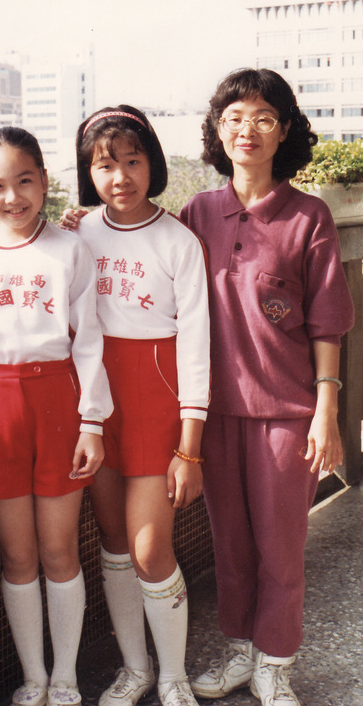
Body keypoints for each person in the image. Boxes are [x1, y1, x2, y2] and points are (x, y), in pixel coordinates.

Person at [178, 68, 354, 706]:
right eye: (233, 118)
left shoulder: (309, 216)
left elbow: (328, 324)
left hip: (287, 412)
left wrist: (326, 412)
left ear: (284, 131)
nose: (246, 130)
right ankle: (238, 651)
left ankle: (275, 664)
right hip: (214, 412)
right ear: (217, 131)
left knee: (281, 549)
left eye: (262, 118)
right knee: (229, 545)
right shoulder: (196, 214)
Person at [0, 127, 113, 706]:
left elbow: (89, 341)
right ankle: (34, 676)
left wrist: (92, 422)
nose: (13, 197)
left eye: (25, 181)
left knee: (59, 551)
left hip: (58, 400)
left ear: (44, 180)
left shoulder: (70, 249)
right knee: (17, 555)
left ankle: (66, 677)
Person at [62, 106, 210, 706]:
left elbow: (197, 344)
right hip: (96, 400)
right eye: (105, 166)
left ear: (153, 163)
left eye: (132, 160)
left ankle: (173, 674)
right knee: (115, 541)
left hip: (157, 400)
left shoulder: (180, 241)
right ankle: (135, 668)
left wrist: (190, 447)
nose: (120, 176)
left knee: (150, 549)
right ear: (87, 173)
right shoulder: (77, 234)